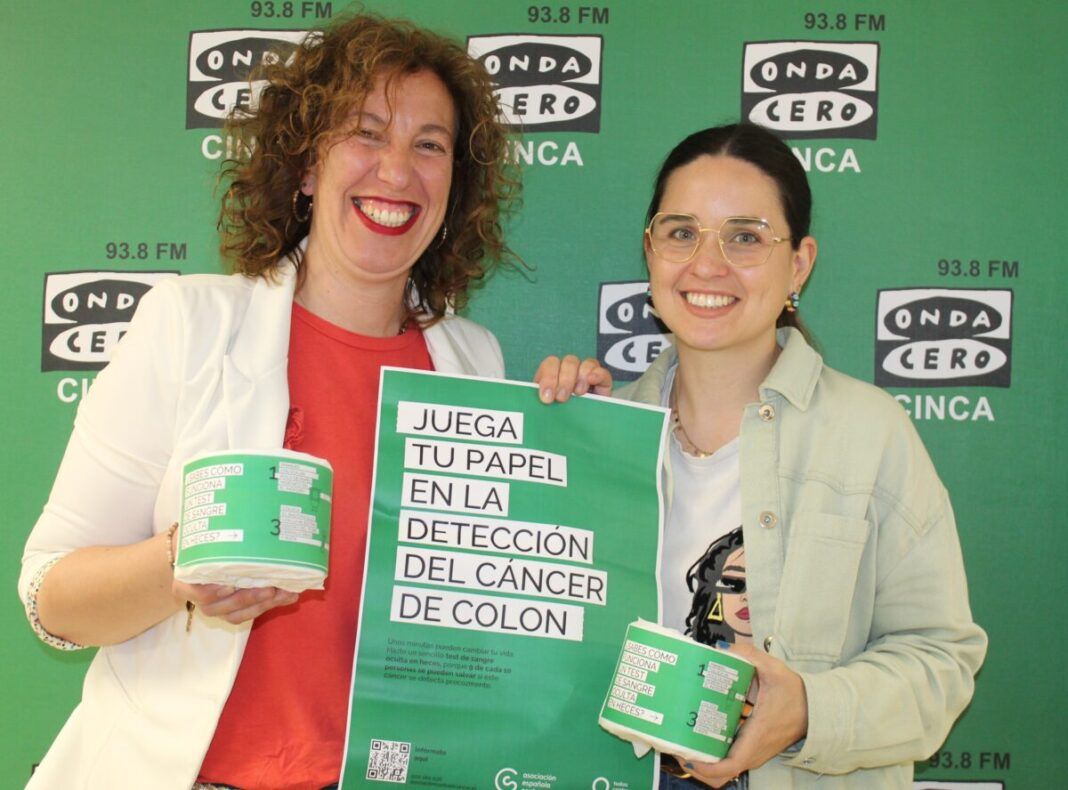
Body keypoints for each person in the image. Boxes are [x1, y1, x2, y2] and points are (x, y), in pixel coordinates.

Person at [19, 13, 608, 789]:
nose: (397, 171)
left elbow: (490, 617)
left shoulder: (475, 361)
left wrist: (585, 444)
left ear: (454, 188)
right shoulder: (189, 324)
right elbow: (52, 598)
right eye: (366, 133)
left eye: (429, 145)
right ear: (305, 166)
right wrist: (180, 565)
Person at [538, 123, 986, 788]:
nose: (707, 264)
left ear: (799, 264)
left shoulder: (872, 434)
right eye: (681, 232)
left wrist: (808, 711)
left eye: (745, 237)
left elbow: (941, 663)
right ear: (651, 251)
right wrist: (555, 439)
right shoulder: (599, 431)